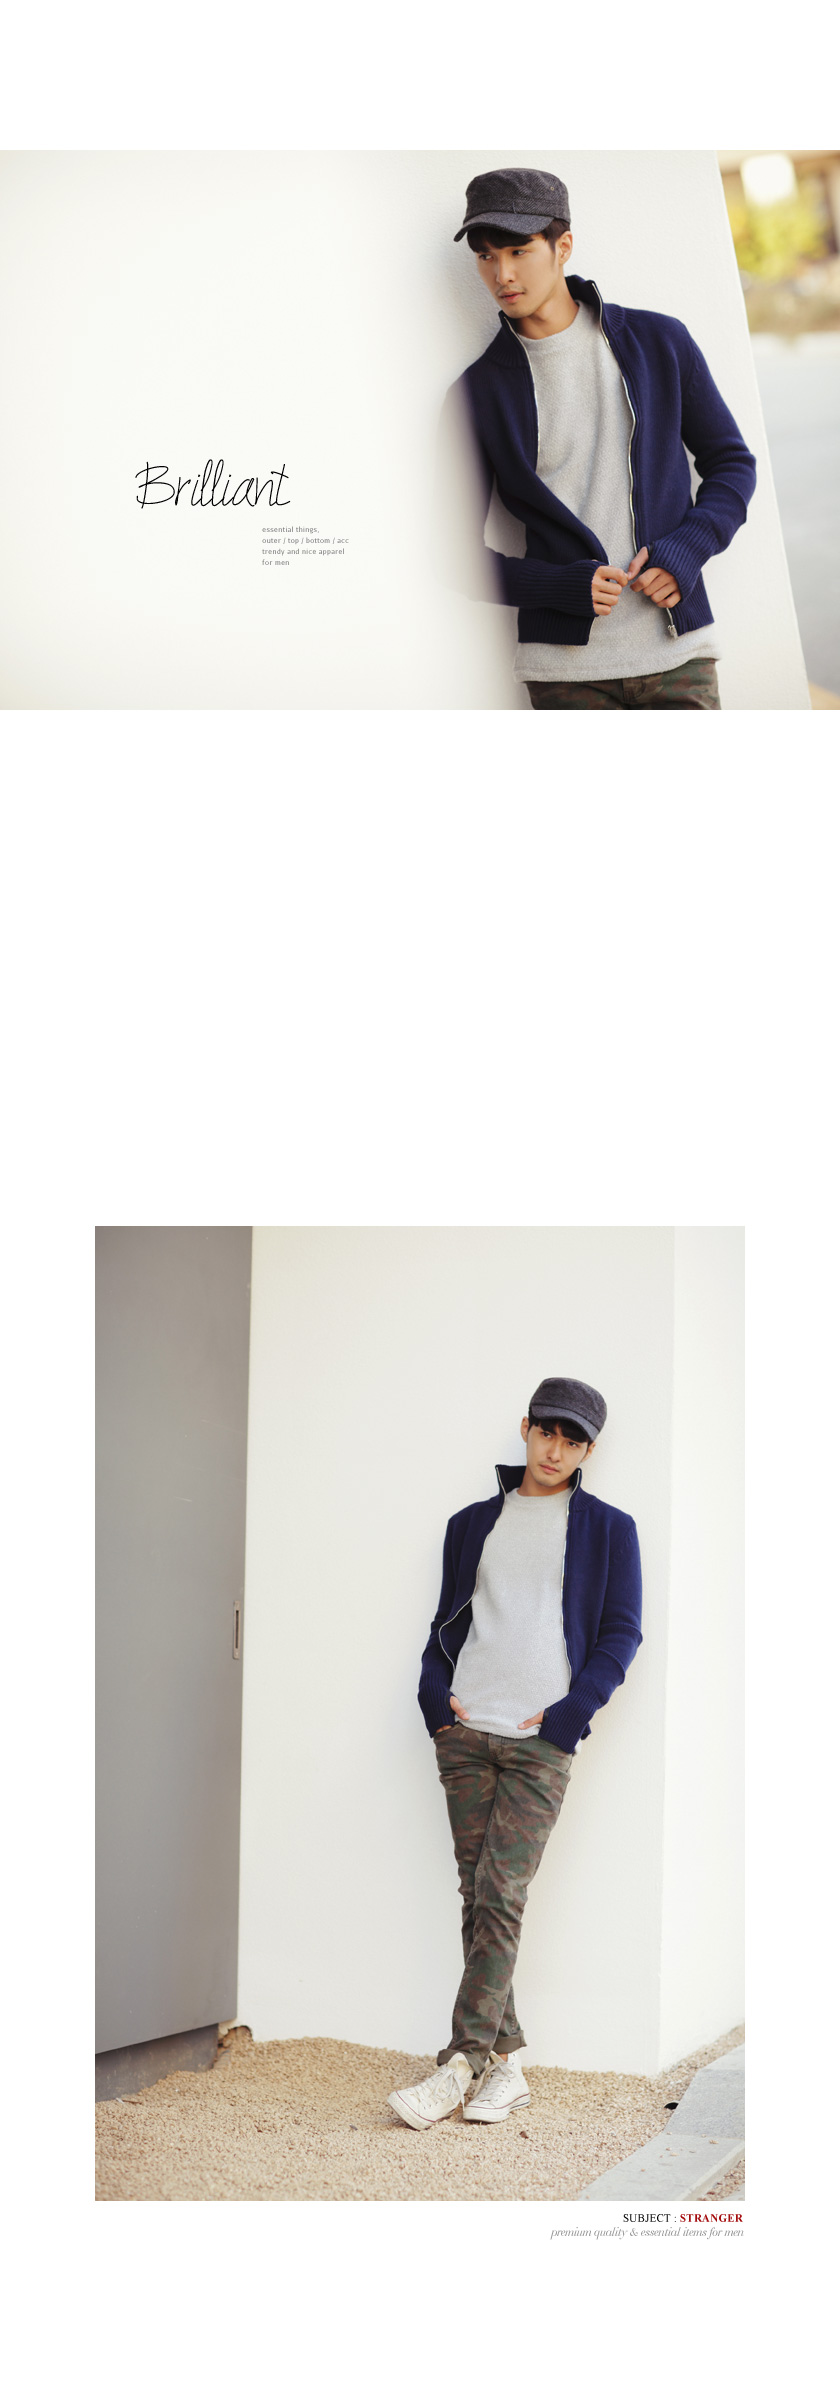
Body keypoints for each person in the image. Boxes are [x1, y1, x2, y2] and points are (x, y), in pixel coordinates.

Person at [388, 1377, 643, 2130]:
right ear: (526, 1428)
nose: (556, 1450)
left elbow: (621, 1634)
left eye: (574, 1440)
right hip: (466, 1735)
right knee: (481, 1899)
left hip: (539, 1744)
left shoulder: (609, 1529)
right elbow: (447, 1622)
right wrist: (435, 1700)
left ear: (589, 1450)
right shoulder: (471, 1524)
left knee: (501, 1892)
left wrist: (570, 1716)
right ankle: (508, 2064)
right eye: (548, 1432)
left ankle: (459, 2065)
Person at [439, 165, 757, 709]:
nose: (501, 274)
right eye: (486, 256)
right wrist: (556, 586)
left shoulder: (660, 342)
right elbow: (450, 556)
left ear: (562, 247)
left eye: (518, 250)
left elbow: (732, 463)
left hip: (678, 654)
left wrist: (688, 548)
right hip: (564, 674)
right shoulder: (476, 394)